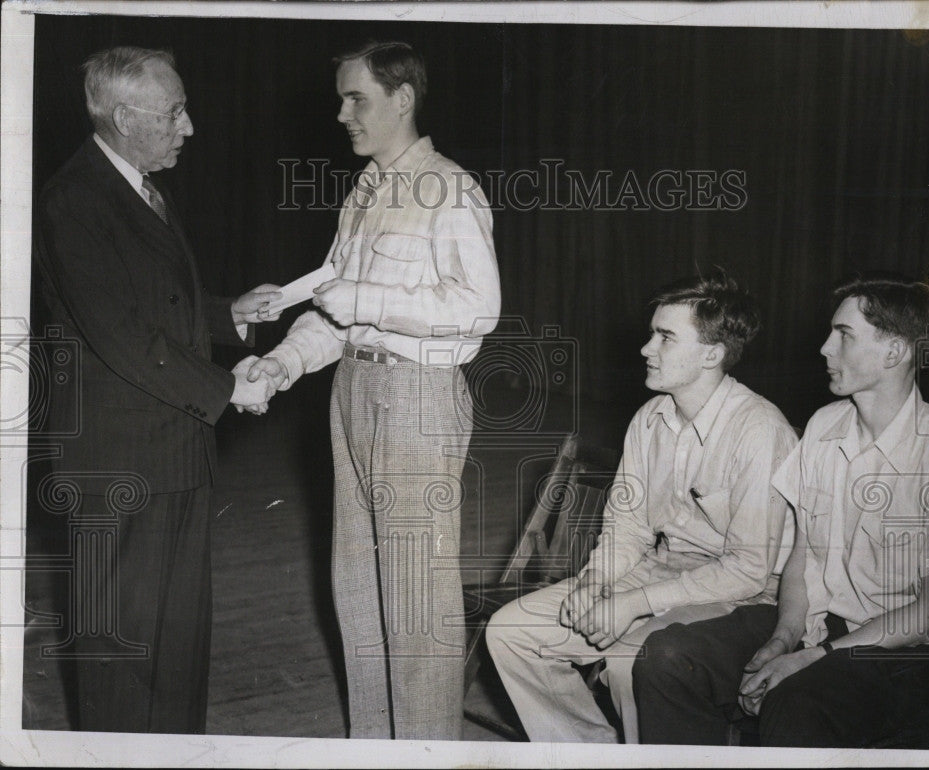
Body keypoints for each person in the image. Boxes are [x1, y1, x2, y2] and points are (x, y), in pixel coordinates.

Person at [238, 41, 501, 740]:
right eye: (341, 98)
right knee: (356, 590)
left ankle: (425, 750)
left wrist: (364, 297)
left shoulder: (451, 188)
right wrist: (284, 364)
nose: (341, 113)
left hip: (418, 397)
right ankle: (374, 746)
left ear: (402, 99)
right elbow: (333, 309)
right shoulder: (364, 192)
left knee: (415, 601)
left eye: (356, 98)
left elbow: (478, 308)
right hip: (352, 391)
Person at [32, 46, 282, 733]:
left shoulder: (141, 184)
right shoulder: (72, 201)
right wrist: (229, 387)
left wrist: (231, 313)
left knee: (179, 649)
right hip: (118, 467)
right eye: (175, 111)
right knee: (121, 657)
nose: (190, 126)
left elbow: (161, 304)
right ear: (122, 116)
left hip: (172, 453)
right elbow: (121, 335)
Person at [633, 275, 929, 747]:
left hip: (916, 651)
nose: (824, 348)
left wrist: (814, 656)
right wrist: (784, 636)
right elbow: (801, 556)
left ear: (895, 351)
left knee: (797, 700)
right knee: (669, 655)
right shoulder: (824, 425)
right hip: (821, 622)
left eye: (844, 335)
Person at [484, 271, 798, 743]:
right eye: (653, 334)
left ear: (711, 354)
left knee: (631, 660)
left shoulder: (760, 430)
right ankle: (593, 753)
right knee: (511, 631)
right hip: (661, 570)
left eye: (666, 337)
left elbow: (750, 570)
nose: (646, 349)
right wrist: (596, 583)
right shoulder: (649, 418)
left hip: (741, 596)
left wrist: (634, 604)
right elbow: (627, 527)